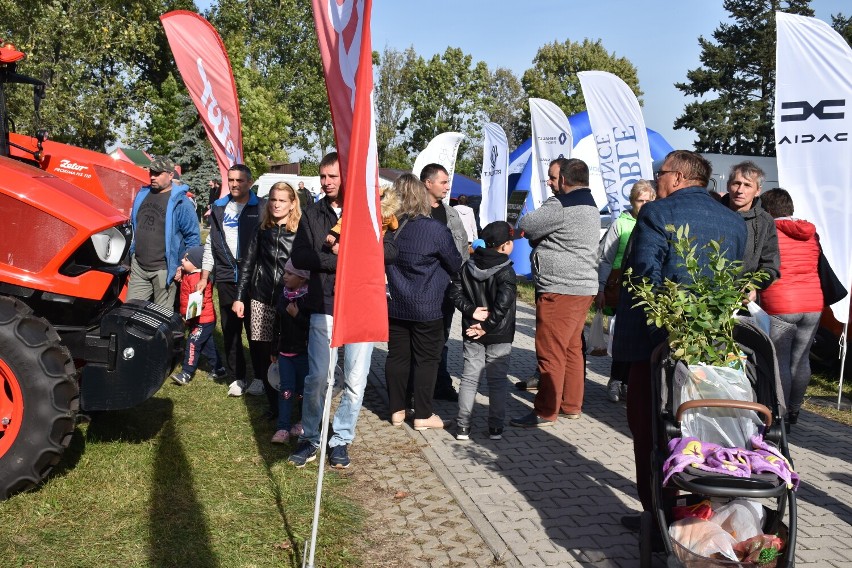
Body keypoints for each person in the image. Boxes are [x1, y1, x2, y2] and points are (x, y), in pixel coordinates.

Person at [612, 150, 747, 529]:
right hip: (711, 349)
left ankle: (659, 518)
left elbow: (644, 278)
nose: (656, 180)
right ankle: (698, 513)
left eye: (661, 173)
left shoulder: (657, 212)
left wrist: (662, 339)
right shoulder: (733, 221)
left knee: (652, 431)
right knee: (700, 430)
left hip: (656, 346)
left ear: (680, 177)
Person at [287, 152, 398, 469]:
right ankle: (310, 437)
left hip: (361, 304)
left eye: (332, 176)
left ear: (346, 177)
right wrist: (345, 260)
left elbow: (391, 251)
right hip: (324, 303)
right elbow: (302, 255)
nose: (326, 182)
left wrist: (356, 254)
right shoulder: (312, 213)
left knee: (355, 381)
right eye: (323, 177)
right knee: (318, 377)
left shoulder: (369, 211)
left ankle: (341, 440)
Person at [510, 158, 599, 428]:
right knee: (572, 349)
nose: (549, 182)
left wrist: (538, 236)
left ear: (565, 180)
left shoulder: (559, 204)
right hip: (583, 287)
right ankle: (571, 405)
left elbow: (529, 223)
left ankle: (544, 411)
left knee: (550, 352)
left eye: (552, 177)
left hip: (559, 288)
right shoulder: (590, 204)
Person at [385, 174, 463, 431]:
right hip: (428, 304)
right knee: (426, 360)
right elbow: (455, 263)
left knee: (398, 357)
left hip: (396, 303)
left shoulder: (391, 230)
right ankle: (423, 414)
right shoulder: (435, 230)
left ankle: (397, 409)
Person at [232, 181, 301, 407]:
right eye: (273, 199)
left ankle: (291, 399)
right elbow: (247, 264)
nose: (276, 204)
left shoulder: (300, 232)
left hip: (288, 299)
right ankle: (272, 403)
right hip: (260, 297)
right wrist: (240, 297)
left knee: (286, 350)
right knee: (262, 351)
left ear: (292, 204)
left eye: (282, 200)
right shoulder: (261, 229)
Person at [196, 164, 262, 397]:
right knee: (231, 330)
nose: (234, 184)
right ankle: (237, 377)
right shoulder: (219, 207)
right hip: (225, 278)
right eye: (231, 180)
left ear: (250, 183)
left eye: (240, 180)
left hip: (254, 279)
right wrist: (205, 276)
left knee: (256, 331)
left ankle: (261, 377)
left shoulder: (261, 207)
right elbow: (211, 245)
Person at [759, 188, 823, 427]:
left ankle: (780, 415)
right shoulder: (811, 233)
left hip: (781, 302)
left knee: (781, 361)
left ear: (767, 210)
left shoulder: (769, 231)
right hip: (813, 303)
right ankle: (795, 410)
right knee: (802, 359)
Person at [448, 220, 517, 441]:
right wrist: (487, 325)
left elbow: (454, 293)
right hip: (498, 332)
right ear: (504, 245)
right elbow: (503, 303)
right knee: (497, 381)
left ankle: (462, 427)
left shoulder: (467, 265)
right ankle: (496, 428)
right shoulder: (506, 270)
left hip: (472, 329)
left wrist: (471, 312)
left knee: (469, 379)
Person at [595, 180, 656, 403]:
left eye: (649, 200)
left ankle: (630, 383)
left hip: (648, 288)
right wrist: (600, 288)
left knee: (641, 340)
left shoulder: (656, 222)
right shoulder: (621, 224)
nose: (645, 205)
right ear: (632, 202)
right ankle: (615, 380)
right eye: (641, 201)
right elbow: (605, 258)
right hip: (621, 285)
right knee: (623, 337)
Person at [420, 163, 469, 402]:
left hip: (445, 289)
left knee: (442, 338)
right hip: (418, 289)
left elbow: (462, 250)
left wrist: (462, 282)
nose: (447, 187)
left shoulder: (452, 214)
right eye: (443, 182)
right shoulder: (412, 214)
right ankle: (415, 388)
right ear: (428, 183)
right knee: (419, 341)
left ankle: (441, 384)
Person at [128, 156, 200, 309]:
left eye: (158, 173)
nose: (153, 176)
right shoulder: (142, 195)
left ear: (171, 175)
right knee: (131, 313)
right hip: (139, 267)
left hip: (164, 269)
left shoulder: (181, 203)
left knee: (160, 318)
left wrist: (181, 266)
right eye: (151, 172)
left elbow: (193, 237)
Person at [720, 161, 780, 297]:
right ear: (728, 185)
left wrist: (753, 286)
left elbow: (770, 265)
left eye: (747, 185)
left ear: (758, 190)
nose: (740, 190)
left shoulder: (765, 221)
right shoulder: (712, 212)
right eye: (736, 183)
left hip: (743, 301)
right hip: (708, 296)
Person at [171, 245, 226, 385]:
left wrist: (186, 318)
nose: (182, 261)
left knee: (193, 343)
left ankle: (186, 373)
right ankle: (219, 368)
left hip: (202, 319)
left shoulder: (198, 280)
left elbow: (196, 305)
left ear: (196, 264)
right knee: (208, 345)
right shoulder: (190, 275)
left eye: (186, 259)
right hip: (200, 319)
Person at [271, 259, 311, 444]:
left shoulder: (307, 300)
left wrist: (298, 316)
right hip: (285, 353)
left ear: (302, 279)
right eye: (284, 272)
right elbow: (276, 324)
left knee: (304, 390)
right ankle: (282, 428)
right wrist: (274, 347)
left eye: (289, 273)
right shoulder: (283, 295)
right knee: (286, 390)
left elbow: (312, 328)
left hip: (303, 354)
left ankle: (304, 422)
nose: (284, 276)